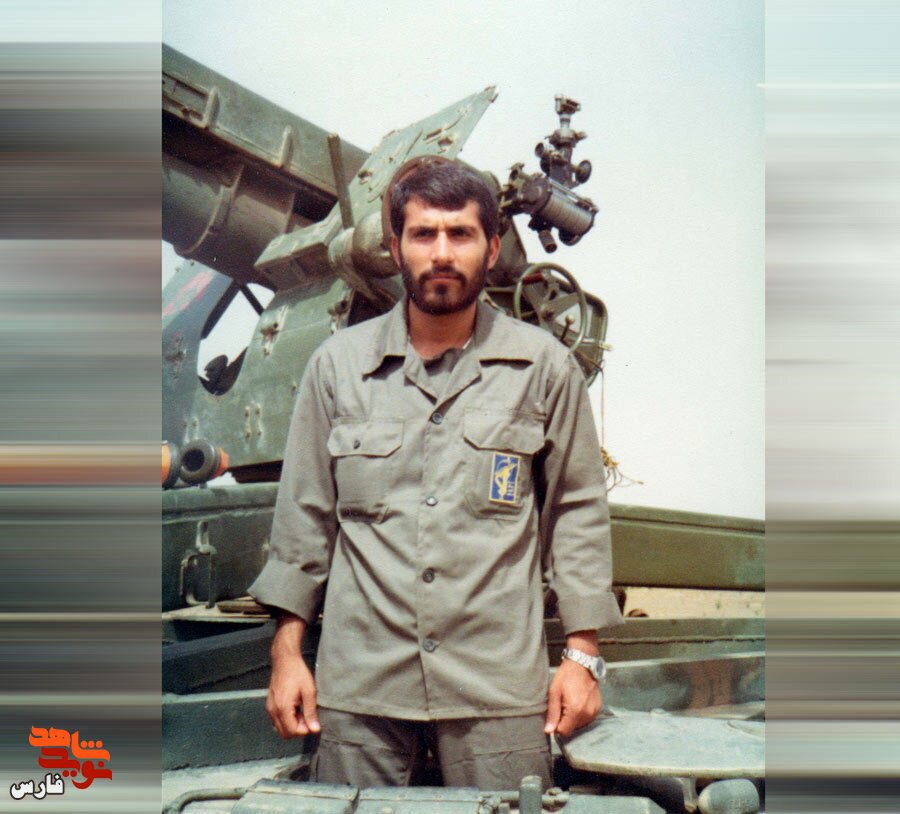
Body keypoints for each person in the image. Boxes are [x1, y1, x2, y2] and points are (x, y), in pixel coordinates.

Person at [248, 160, 622, 790]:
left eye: (461, 234)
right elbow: (302, 525)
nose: (442, 253)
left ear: (492, 249)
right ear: (395, 248)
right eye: (424, 234)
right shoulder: (337, 367)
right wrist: (286, 656)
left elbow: (576, 512)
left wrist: (582, 656)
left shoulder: (544, 369)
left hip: (496, 694)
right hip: (362, 692)